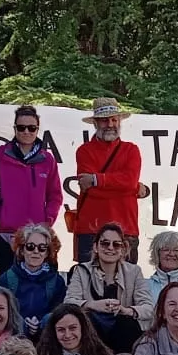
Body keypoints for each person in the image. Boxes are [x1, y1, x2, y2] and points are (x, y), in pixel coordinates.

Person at [0, 104, 61, 272]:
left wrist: (46, 223)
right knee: (5, 286)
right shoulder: (0, 155)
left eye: (31, 128)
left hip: (36, 236)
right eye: (21, 128)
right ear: (15, 129)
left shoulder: (47, 159)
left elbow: (55, 195)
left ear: (37, 129)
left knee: (37, 285)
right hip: (5, 233)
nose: (26, 132)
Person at [63, 221, 155, 353]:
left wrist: (126, 310)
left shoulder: (134, 272)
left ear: (122, 249)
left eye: (116, 244)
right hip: (91, 332)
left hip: (123, 334)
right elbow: (68, 302)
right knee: (87, 321)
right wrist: (92, 305)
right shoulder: (81, 270)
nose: (110, 248)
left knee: (127, 324)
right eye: (105, 243)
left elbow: (148, 308)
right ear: (95, 247)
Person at [71, 97, 142, 263]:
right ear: (95, 123)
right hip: (91, 229)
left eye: (114, 119)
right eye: (104, 121)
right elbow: (91, 191)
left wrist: (97, 179)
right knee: (88, 285)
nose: (110, 124)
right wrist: (125, 185)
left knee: (126, 284)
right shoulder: (84, 151)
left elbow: (130, 181)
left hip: (126, 229)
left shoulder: (131, 150)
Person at [0, 222, 67, 338]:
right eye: (30, 247)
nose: (36, 251)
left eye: (42, 248)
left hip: (46, 337)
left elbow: (59, 311)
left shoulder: (57, 282)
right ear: (22, 250)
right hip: (14, 338)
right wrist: (23, 324)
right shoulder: (7, 279)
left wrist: (40, 323)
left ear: (47, 253)